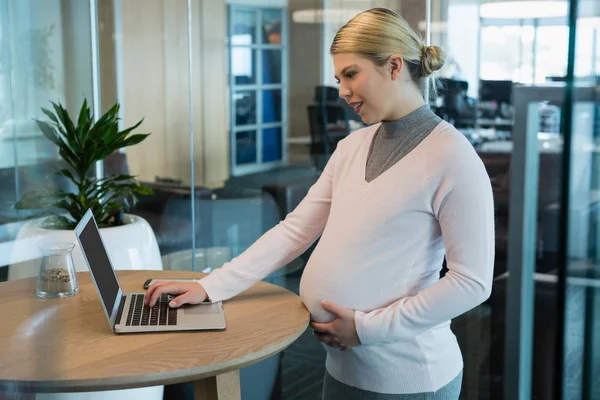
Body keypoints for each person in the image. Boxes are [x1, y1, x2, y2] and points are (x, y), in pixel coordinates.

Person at [145, 7, 494, 400]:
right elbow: (294, 231)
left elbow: (472, 283)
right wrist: (211, 287)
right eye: (338, 78)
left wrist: (367, 328)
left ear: (394, 65)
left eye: (351, 74)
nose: (342, 91)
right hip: (343, 370)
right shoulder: (352, 147)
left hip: (409, 378)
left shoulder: (453, 156)